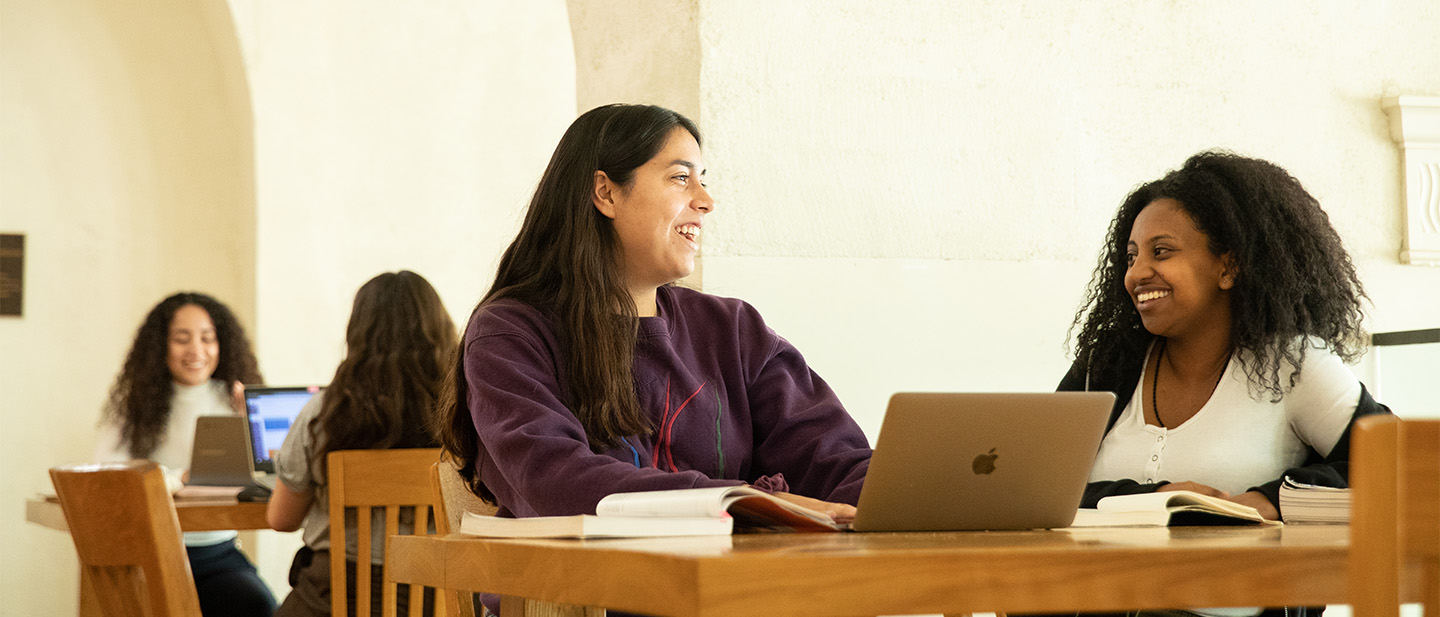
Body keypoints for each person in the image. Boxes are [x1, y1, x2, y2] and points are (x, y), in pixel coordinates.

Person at [436, 103, 871, 531]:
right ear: (605, 193)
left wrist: (899, 496)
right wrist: (747, 502)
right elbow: (555, 480)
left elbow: (834, 460)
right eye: (681, 178)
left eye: (702, 181)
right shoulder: (509, 333)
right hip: (583, 594)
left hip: (730, 586)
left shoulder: (734, 330)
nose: (705, 201)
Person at [1060, 151, 1392, 617]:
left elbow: (1392, 464)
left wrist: (1275, 498)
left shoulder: (1292, 362)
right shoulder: (1107, 366)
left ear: (1228, 267)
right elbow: (1041, 490)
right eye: (1131, 257)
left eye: (1162, 252)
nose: (1135, 273)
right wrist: (1153, 499)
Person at [266, 270, 457, 617]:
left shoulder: (322, 412)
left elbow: (281, 519)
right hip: (438, 598)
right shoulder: (465, 415)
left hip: (334, 598)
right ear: (441, 329)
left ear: (358, 334)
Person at [97, 292, 276, 617]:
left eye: (208, 339)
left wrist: (248, 422)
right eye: (182, 339)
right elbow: (108, 476)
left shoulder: (233, 399)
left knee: (259, 605)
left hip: (218, 553)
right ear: (160, 346)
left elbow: (274, 473)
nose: (196, 350)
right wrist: (178, 477)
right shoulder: (134, 406)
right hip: (150, 555)